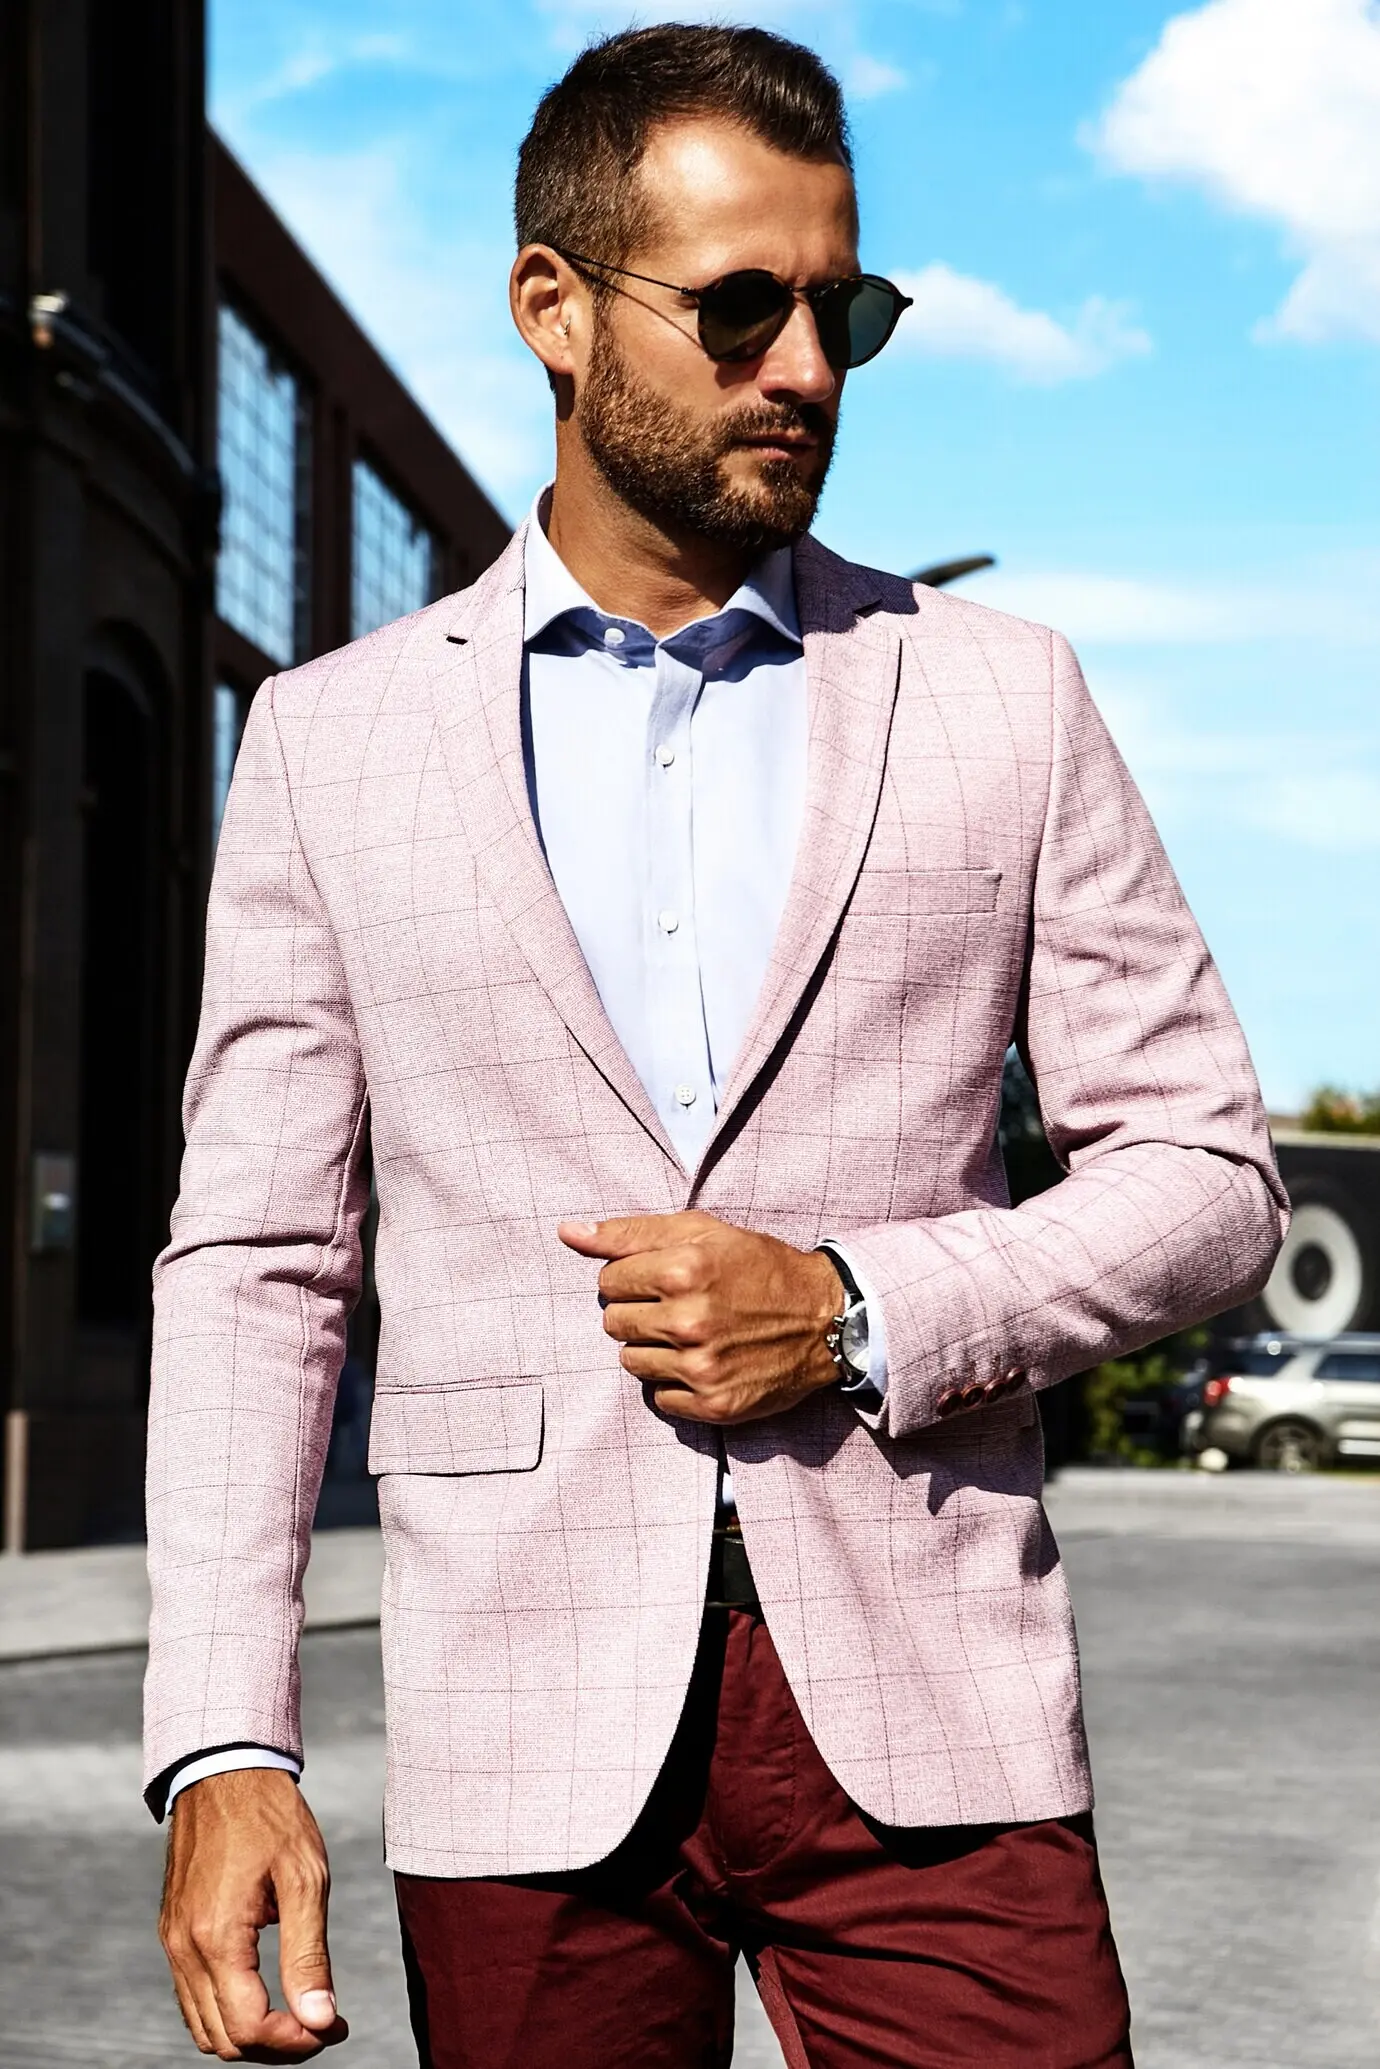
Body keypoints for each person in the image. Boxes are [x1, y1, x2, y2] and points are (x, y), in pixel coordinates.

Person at [146, 24, 1286, 2068]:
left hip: (937, 1706)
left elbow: (1207, 1174)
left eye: (844, 310)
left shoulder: (1000, 698)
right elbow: (256, 1257)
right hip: (526, 1712)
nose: (809, 371)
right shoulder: (331, 742)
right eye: (742, 308)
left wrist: (861, 1303)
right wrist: (225, 1733)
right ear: (553, 311)